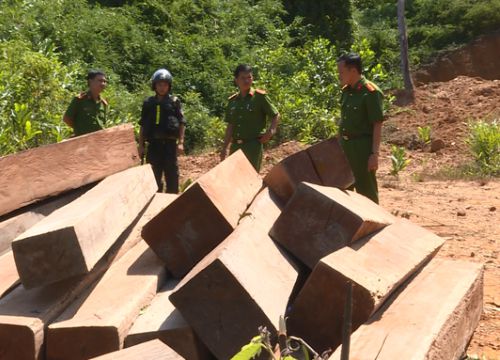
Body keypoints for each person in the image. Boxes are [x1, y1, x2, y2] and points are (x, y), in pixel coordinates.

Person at [337, 53, 384, 204]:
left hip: (362, 149)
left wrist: (374, 154)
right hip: (345, 148)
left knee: (367, 193)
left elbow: (377, 124)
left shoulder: (370, 92)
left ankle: (375, 225)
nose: (339, 75)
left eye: (341, 72)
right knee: (344, 192)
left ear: (353, 71)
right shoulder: (346, 91)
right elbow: (344, 122)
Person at [220, 64, 280, 171]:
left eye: (249, 77)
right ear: (236, 80)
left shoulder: (259, 97)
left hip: (253, 147)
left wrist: (271, 131)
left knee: (250, 179)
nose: (247, 81)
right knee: (234, 178)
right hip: (236, 147)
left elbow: (275, 115)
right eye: (243, 78)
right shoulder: (232, 101)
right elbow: (230, 125)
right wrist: (224, 148)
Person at [138, 68, 185, 194]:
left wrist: (180, 143)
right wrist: (141, 145)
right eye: (159, 84)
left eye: (165, 84)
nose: (162, 87)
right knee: (153, 178)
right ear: (155, 85)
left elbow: (181, 123)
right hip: (153, 146)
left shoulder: (174, 102)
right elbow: (142, 125)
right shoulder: (148, 103)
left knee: (172, 177)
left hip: (169, 145)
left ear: (169, 86)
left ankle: (171, 205)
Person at [63, 70, 108, 136]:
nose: (103, 84)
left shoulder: (103, 103)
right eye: (100, 81)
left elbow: (103, 123)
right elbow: (67, 119)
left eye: (104, 81)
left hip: (99, 140)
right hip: (82, 140)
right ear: (90, 81)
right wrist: (79, 129)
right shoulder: (80, 100)